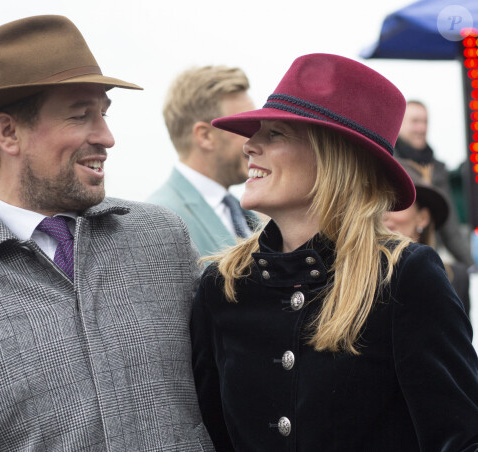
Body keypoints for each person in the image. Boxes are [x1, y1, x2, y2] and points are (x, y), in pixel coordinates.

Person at [0, 15, 213, 451]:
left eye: (103, 114)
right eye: (81, 116)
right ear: (8, 133)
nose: (107, 137)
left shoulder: (163, 239)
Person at [191, 53, 478, 451]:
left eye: (274, 134)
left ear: (333, 156)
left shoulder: (403, 276)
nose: (249, 145)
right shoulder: (223, 286)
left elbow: (461, 439)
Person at [147, 66, 258, 256]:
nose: (256, 139)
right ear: (205, 136)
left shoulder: (247, 215)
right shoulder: (158, 223)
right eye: (244, 126)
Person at [384, 158, 471, 315]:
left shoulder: (456, 279)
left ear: (423, 218)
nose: (383, 214)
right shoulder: (362, 278)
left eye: (396, 203)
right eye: (378, 203)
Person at [395, 100, 475, 268]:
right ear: (400, 124)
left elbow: (451, 227)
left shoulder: (437, 169)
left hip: (430, 258)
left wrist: (471, 267)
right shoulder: (390, 165)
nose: (421, 128)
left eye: (425, 122)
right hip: (397, 257)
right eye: (415, 121)